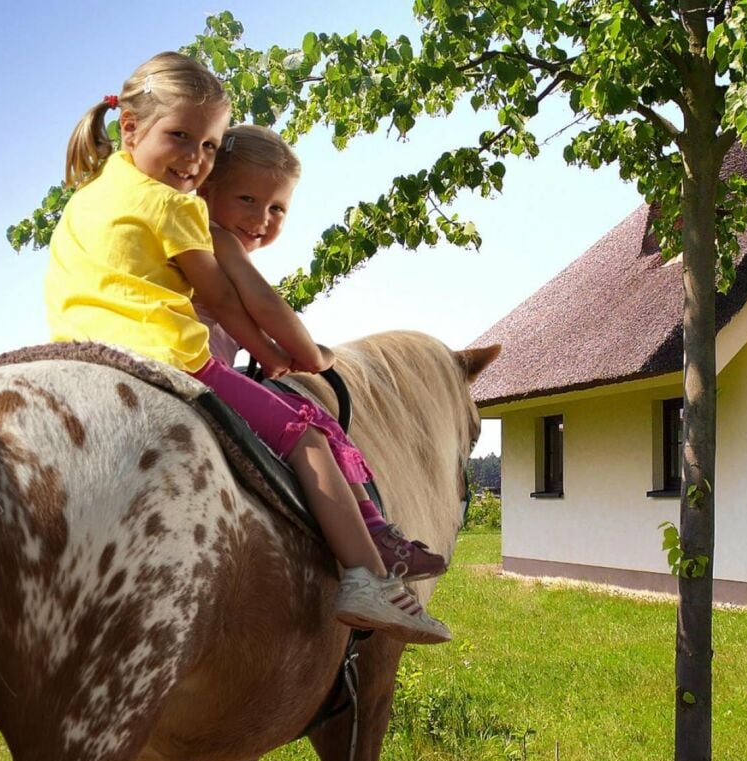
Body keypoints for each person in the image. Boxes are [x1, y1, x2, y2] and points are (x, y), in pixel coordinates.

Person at [45, 52, 450, 644]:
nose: (193, 159)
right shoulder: (178, 206)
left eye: (207, 147)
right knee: (306, 433)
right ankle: (366, 575)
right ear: (129, 128)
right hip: (165, 355)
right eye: (181, 137)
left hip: (74, 353)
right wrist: (304, 356)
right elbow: (236, 305)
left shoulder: (92, 192)